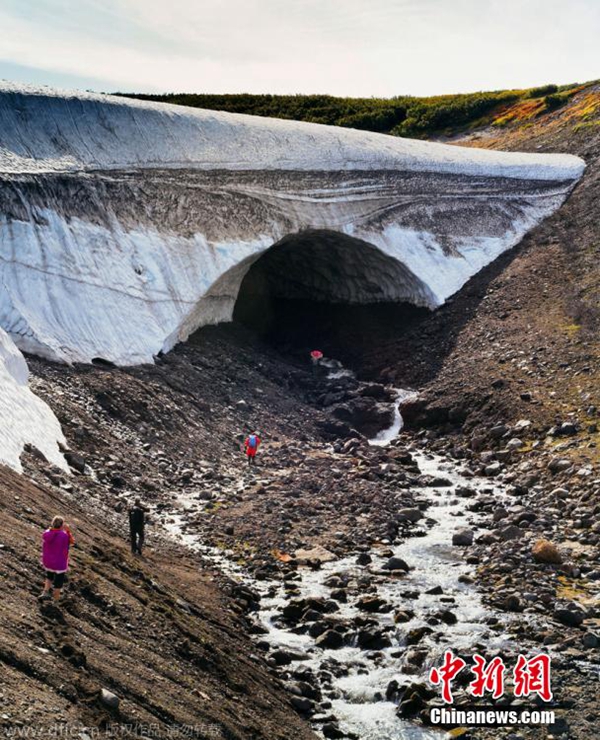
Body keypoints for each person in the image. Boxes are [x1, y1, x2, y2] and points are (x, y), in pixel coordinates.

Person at [39, 516, 74, 602]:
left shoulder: (46, 533)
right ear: (62, 525)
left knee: (49, 576)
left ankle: (45, 592)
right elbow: (72, 542)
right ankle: (55, 601)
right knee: (58, 582)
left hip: (48, 561)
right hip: (59, 563)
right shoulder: (64, 535)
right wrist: (68, 531)